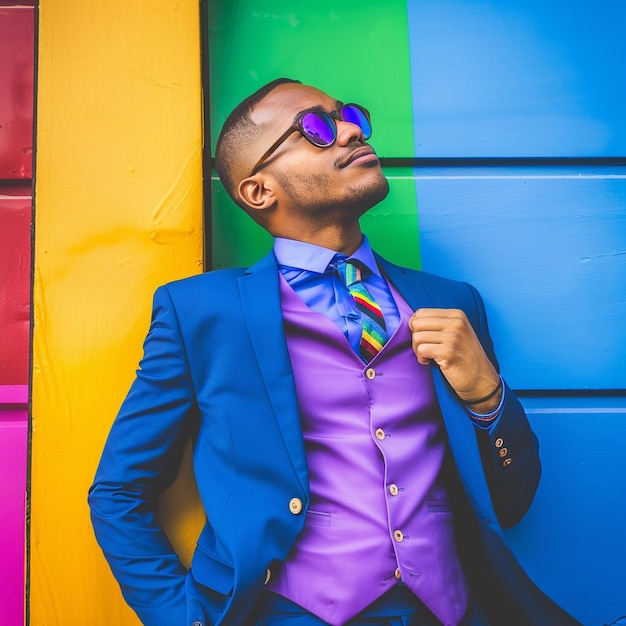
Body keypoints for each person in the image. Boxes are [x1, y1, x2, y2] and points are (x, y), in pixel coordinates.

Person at [89, 78, 581, 626]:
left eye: (349, 116)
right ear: (259, 191)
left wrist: (489, 399)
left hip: (448, 612)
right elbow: (118, 491)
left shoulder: (451, 302)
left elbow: (510, 502)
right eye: (315, 129)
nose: (350, 130)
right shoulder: (201, 312)